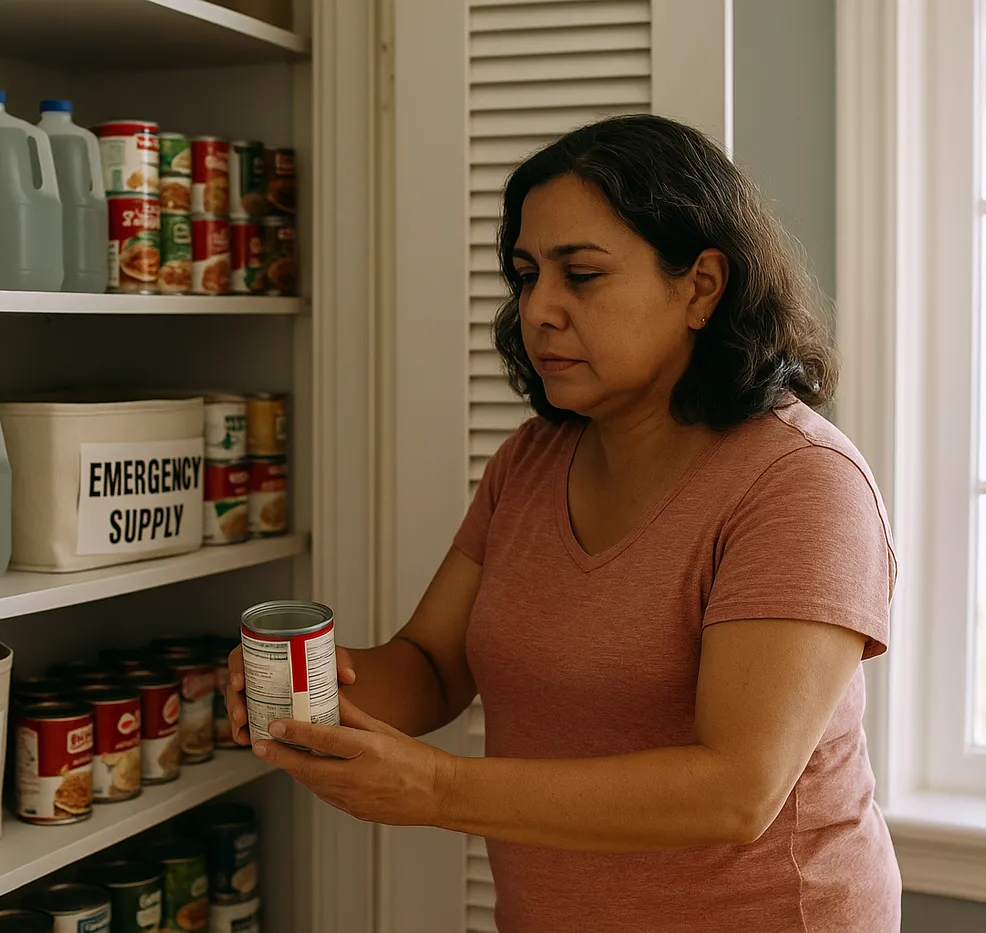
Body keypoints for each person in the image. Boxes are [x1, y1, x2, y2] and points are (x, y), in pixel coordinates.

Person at [225, 114, 901, 933]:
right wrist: (307, 689)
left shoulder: (800, 484)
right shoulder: (532, 460)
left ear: (701, 287)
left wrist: (438, 788)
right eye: (525, 273)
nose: (539, 308)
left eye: (580, 274)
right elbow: (433, 664)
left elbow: (737, 789)